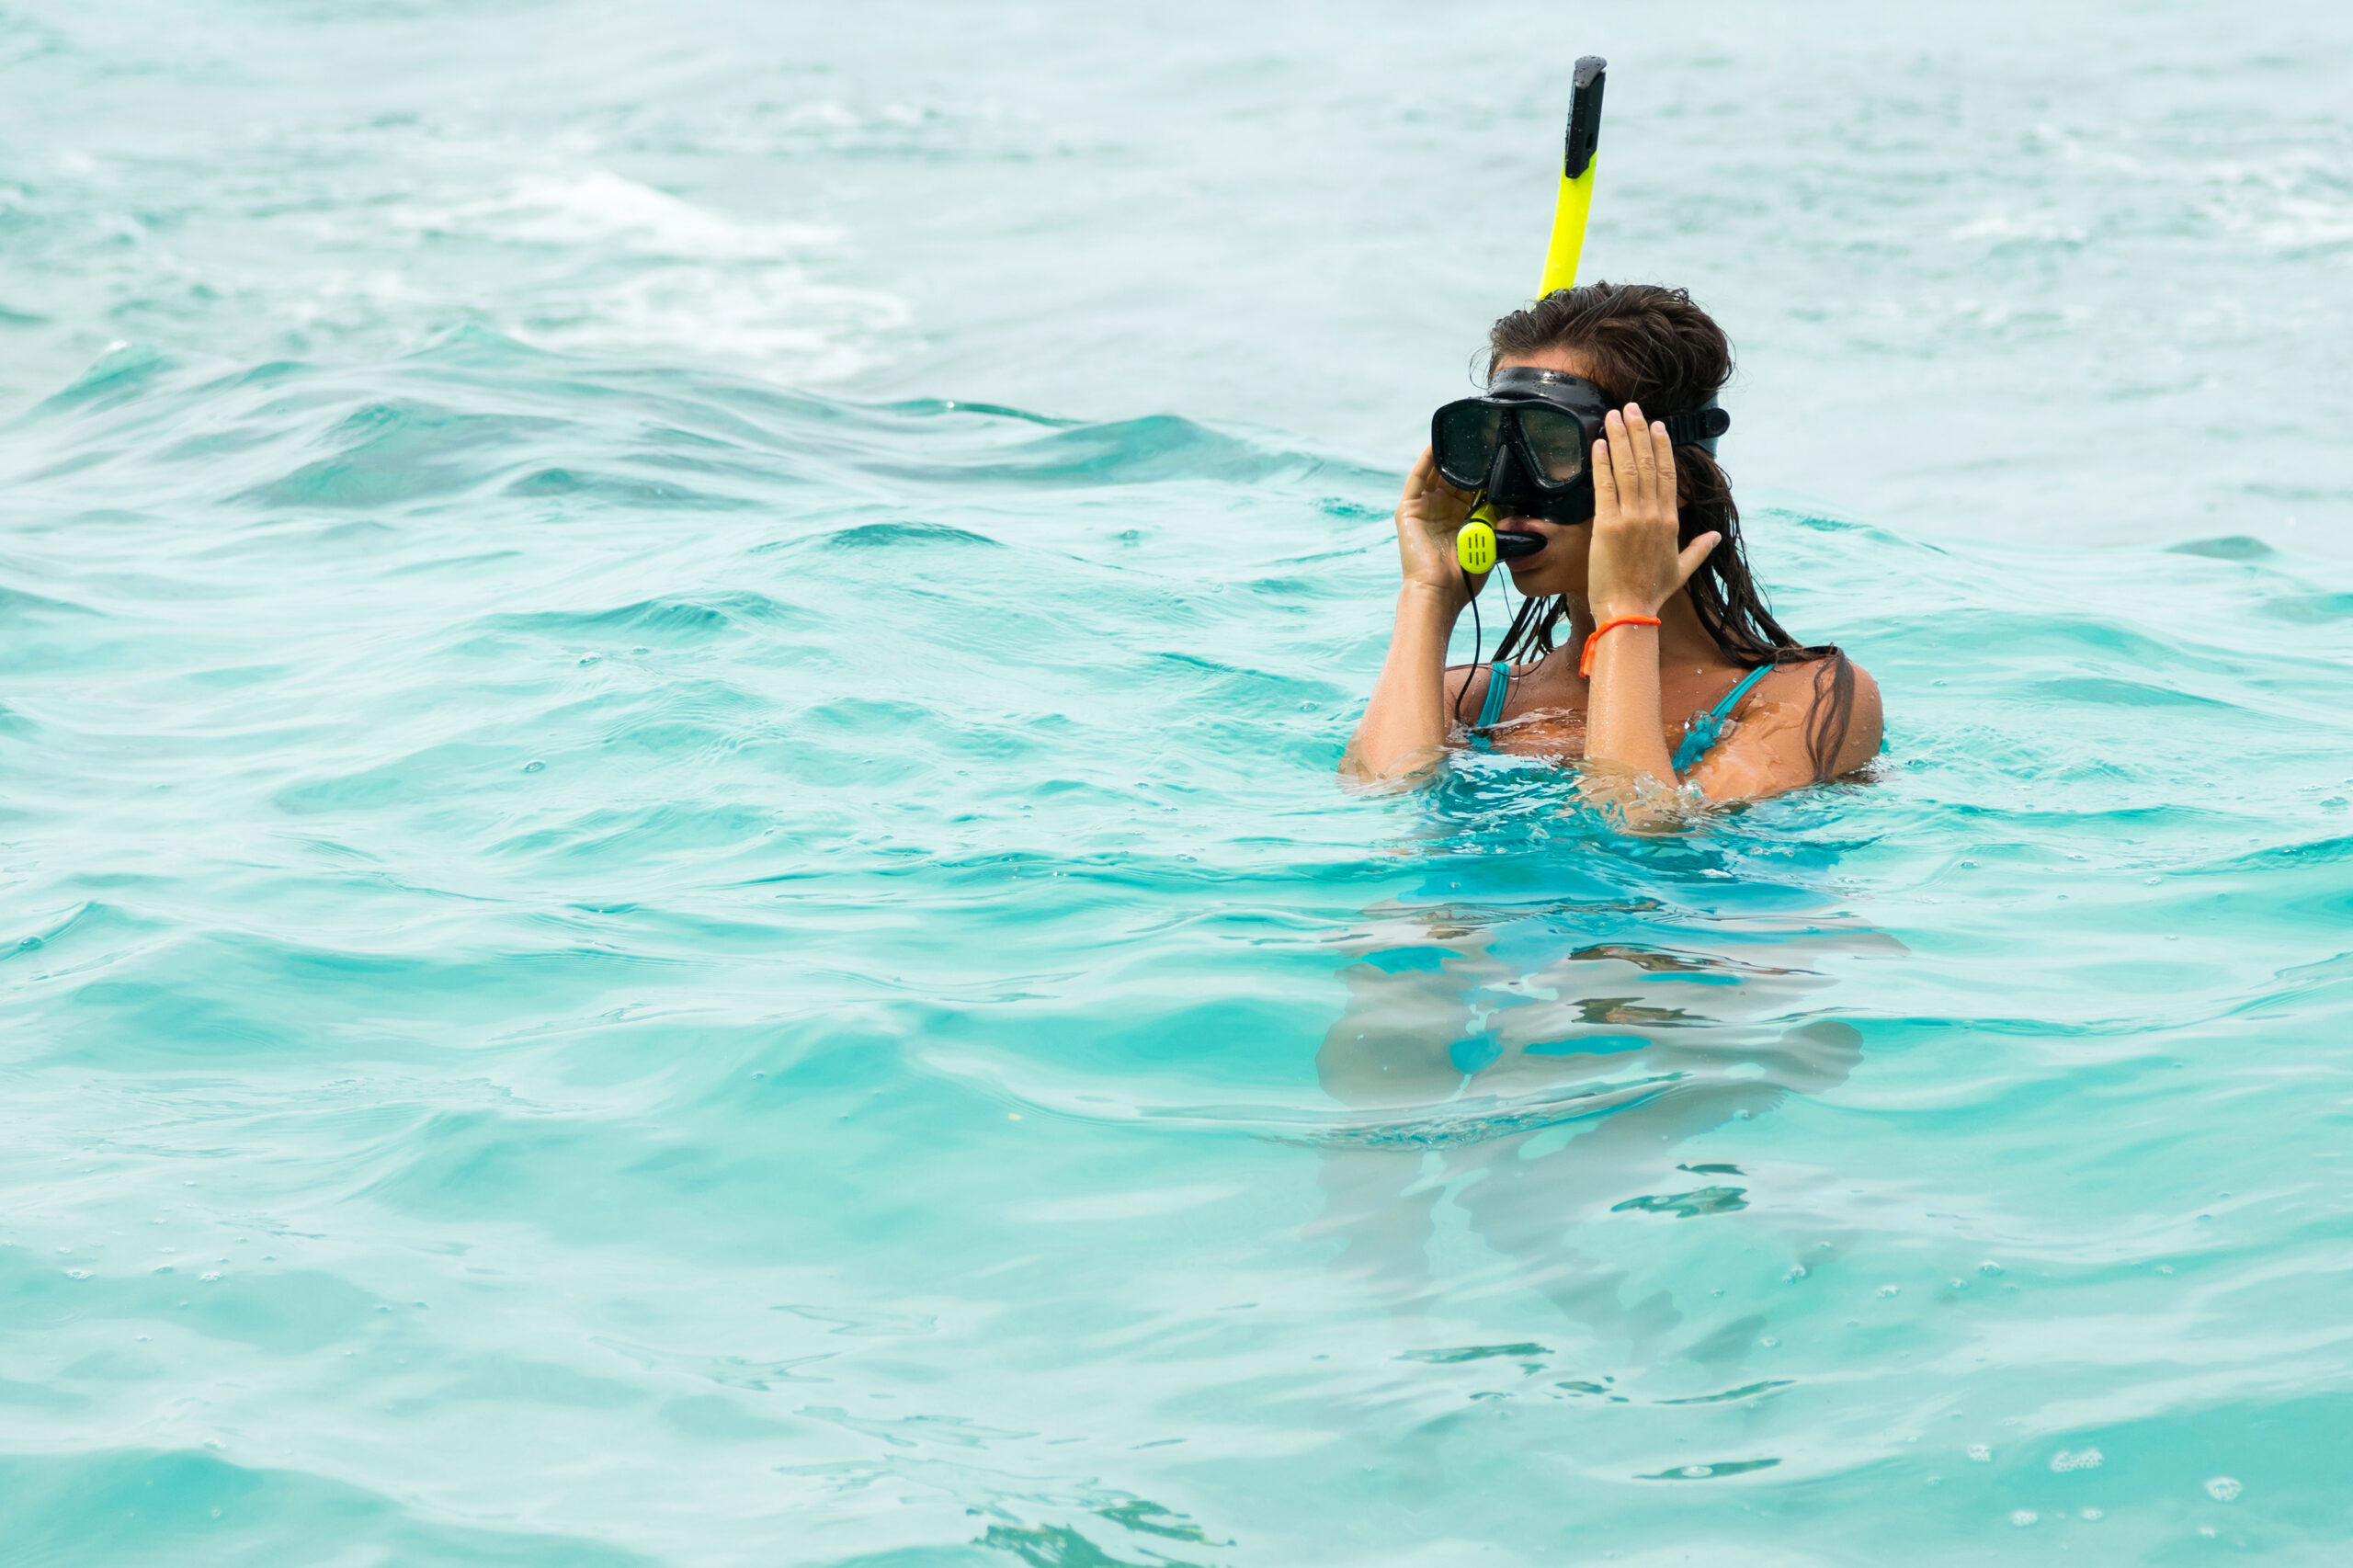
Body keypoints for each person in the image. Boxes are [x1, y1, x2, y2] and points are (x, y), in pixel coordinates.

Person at [1342, 283, 1881, 805]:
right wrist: (1427, 594)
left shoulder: (1806, 698)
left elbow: (1633, 827)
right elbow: (1387, 797)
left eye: (1553, 446)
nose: (1508, 486)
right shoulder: (1471, 701)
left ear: (1672, 480)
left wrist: (1626, 612)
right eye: (1492, 443)